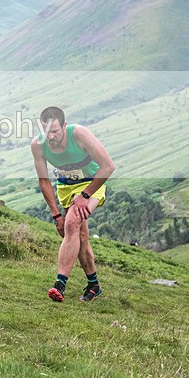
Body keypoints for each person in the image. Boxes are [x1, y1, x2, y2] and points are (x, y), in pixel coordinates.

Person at [31, 106, 115, 302]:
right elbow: (44, 181)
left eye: (55, 131)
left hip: (92, 183)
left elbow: (108, 167)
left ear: (64, 126)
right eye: (46, 132)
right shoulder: (38, 145)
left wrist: (85, 195)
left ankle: (60, 284)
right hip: (66, 187)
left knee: (72, 224)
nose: (50, 137)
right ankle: (93, 284)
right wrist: (56, 215)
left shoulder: (79, 134)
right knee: (81, 235)